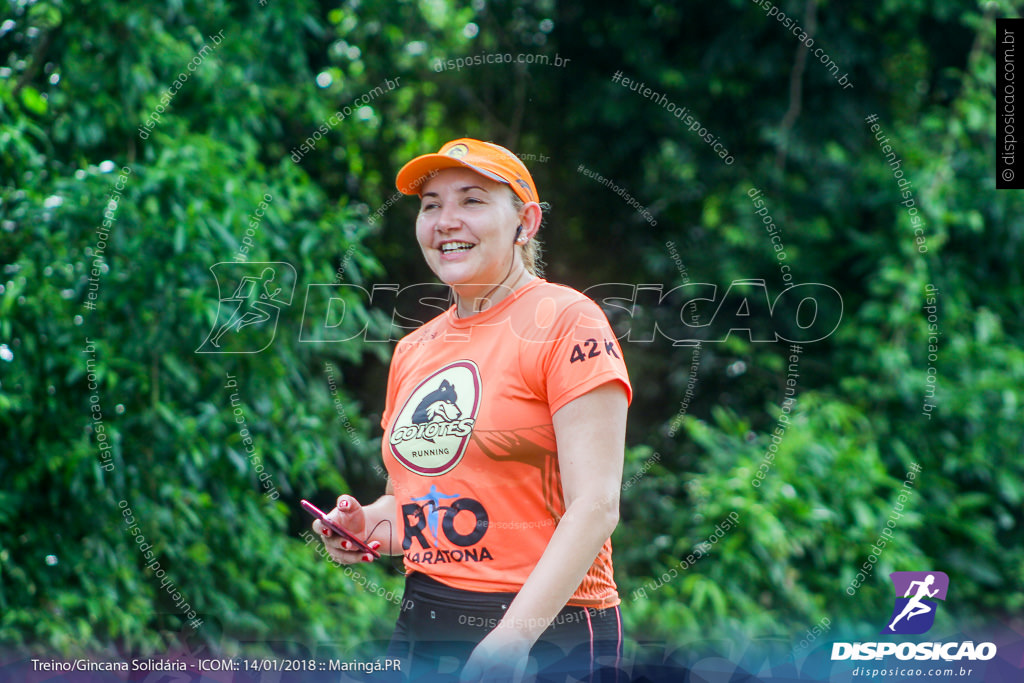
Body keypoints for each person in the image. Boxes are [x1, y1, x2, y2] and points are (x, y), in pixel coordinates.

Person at [312, 138, 631, 682]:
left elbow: (596, 507)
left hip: (546, 630)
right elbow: (416, 506)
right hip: (426, 616)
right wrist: (368, 525)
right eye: (431, 204)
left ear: (525, 222)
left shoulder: (566, 321)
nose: (445, 220)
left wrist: (513, 636)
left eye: (472, 200)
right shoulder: (415, 348)